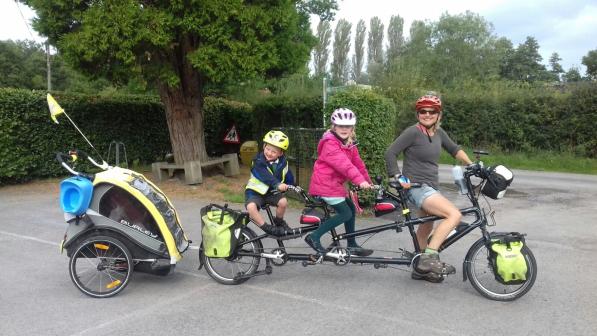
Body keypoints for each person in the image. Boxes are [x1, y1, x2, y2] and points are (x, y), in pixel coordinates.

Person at [384, 93, 473, 282]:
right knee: (454, 215)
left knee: (425, 227)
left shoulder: (439, 133)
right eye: (422, 111)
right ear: (418, 114)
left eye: (431, 111)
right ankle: (429, 259)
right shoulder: (413, 132)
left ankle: (419, 268)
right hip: (417, 188)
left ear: (438, 115)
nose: (427, 114)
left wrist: (471, 164)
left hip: (431, 187)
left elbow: (454, 149)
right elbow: (390, 152)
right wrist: (397, 176)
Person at [305, 108, 374, 257]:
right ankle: (314, 237)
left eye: (347, 126)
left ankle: (351, 244)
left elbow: (358, 164)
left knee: (350, 208)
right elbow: (344, 165)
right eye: (340, 126)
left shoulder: (349, 144)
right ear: (334, 126)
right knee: (345, 213)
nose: (344, 129)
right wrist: (359, 180)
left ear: (352, 128)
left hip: (333, 185)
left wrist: (367, 181)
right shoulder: (330, 144)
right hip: (325, 185)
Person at [245, 130, 295, 237]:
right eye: (267, 149)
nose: (269, 153)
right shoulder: (257, 161)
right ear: (264, 146)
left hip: (271, 193)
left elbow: (287, 175)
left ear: (280, 153)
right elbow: (265, 176)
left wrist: (292, 185)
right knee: (251, 207)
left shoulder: (283, 163)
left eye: (274, 152)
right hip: (255, 192)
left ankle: (279, 222)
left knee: (283, 202)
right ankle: (267, 227)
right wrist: (277, 184)